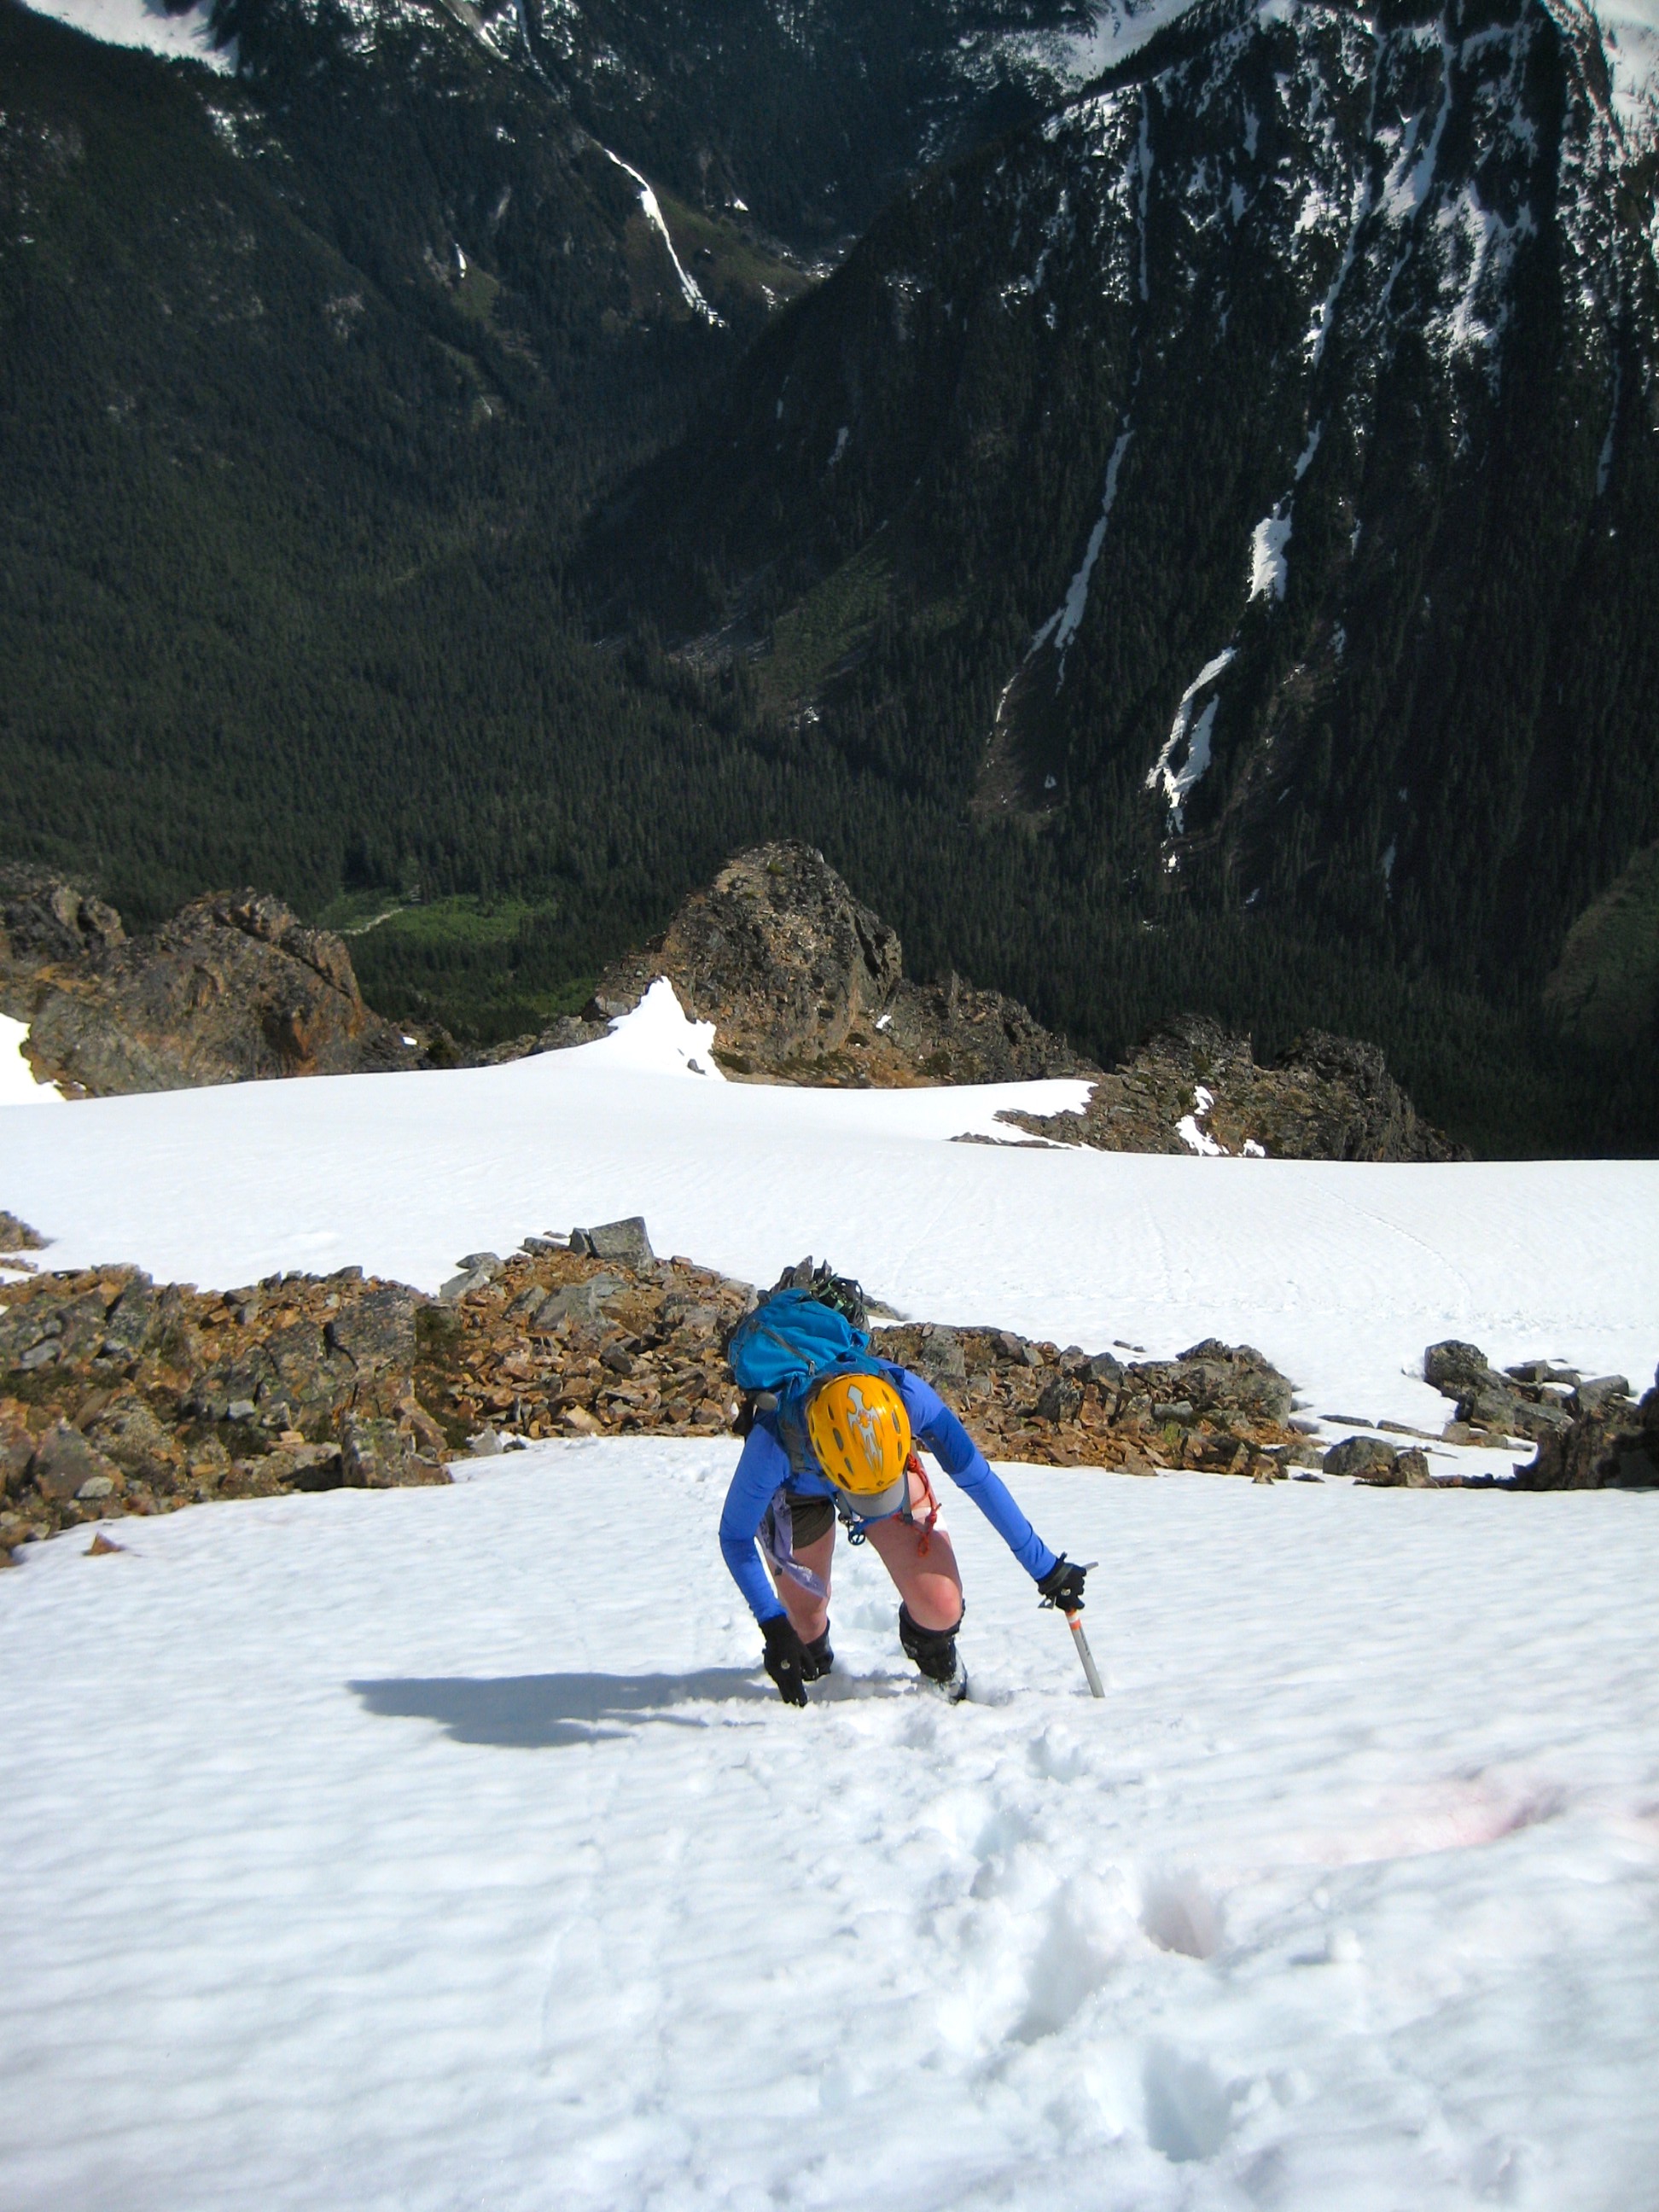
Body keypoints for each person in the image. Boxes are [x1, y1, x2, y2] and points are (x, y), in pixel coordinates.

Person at [719, 1266, 1088, 1704]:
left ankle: (934, 1652)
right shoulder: (777, 1442)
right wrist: (773, 1623)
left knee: (941, 1605)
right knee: (804, 1620)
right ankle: (813, 1658)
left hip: (879, 1462)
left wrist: (1044, 1567)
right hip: (798, 1490)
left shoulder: (907, 1397)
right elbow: (735, 1536)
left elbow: (976, 1477)